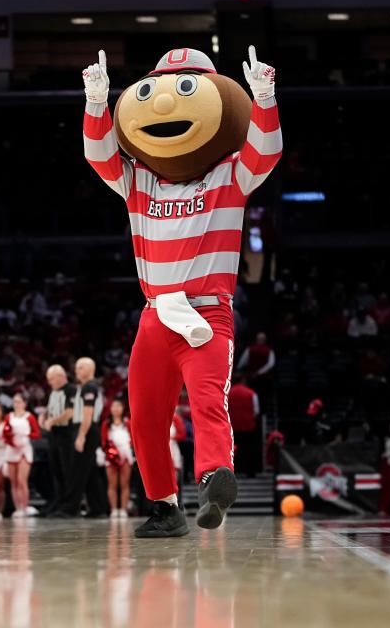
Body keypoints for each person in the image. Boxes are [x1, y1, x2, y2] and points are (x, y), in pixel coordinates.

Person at [82, 45, 281, 537]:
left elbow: (267, 152)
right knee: (145, 416)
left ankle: (214, 477)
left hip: (207, 315)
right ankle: (165, 508)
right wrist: (96, 103)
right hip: (155, 316)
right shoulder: (139, 182)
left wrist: (265, 99)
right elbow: (100, 156)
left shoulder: (230, 176)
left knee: (208, 400)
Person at [51, 357, 106, 518]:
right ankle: (98, 508)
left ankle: (69, 508)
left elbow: (87, 414)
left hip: (86, 428)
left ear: (90, 369)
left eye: (80, 367)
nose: (76, 370)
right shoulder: (86, 387)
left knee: (77, 470)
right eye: (77, 368)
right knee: (89, 471)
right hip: (87, 428)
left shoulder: (89, 386)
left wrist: (81, 436)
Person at [40, 364, 74, 514]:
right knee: (56, 470)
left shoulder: (71, 390)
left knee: (66, 470)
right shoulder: (53, 392)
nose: (49, 382)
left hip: (66, 434)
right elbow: (49, 410)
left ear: (61, 376)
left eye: (51, 379)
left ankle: (69, 505)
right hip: (53, 435)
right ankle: (59, 503)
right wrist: (43, 417)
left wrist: (52, 421)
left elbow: (70, 412)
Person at [4, 393, 41, 518]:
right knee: (13, 481)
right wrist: (11, 441)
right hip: (12, 449)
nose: (17, 404)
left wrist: (25, 436)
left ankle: (24, 507)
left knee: (21, 480)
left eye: (19, 402)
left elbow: (37, 433)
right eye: (15, 402)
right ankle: (18, 508)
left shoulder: (29, 417)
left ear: (24, 403)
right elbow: (5, 433)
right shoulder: (8, 417)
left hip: (24, 449)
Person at [101, 400, 134, 518]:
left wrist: (124, 450)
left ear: (122, 408)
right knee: (112, 484)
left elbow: (133, 439)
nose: (116, 409)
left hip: (125, 455)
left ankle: (123, 509)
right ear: (110, 409)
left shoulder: (128, 423)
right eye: (113, 406)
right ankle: (114, 509)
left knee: (124, 484)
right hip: (111, 456)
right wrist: (112, 453)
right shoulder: (106, 424)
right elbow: (104, 441)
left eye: (118, 406)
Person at [228, 374, 261, 477]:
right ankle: (250, 472)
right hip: (248, 426)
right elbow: (256, 411)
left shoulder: (228, 393)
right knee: (250, 450)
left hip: (233, 427)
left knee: (232, 450)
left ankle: (234, 471)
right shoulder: (251, 393)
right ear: (243, 381)